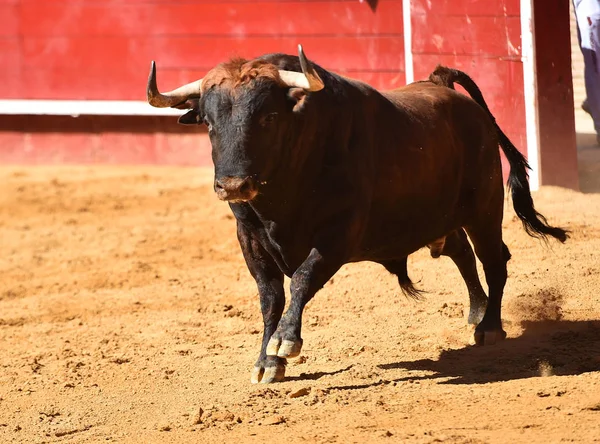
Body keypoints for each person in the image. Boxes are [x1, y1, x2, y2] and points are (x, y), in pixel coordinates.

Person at [573, 0, 600, 144]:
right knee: (595, 65)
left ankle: (593, 103)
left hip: (591, 11)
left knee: (594, 65)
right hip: (591, 11)